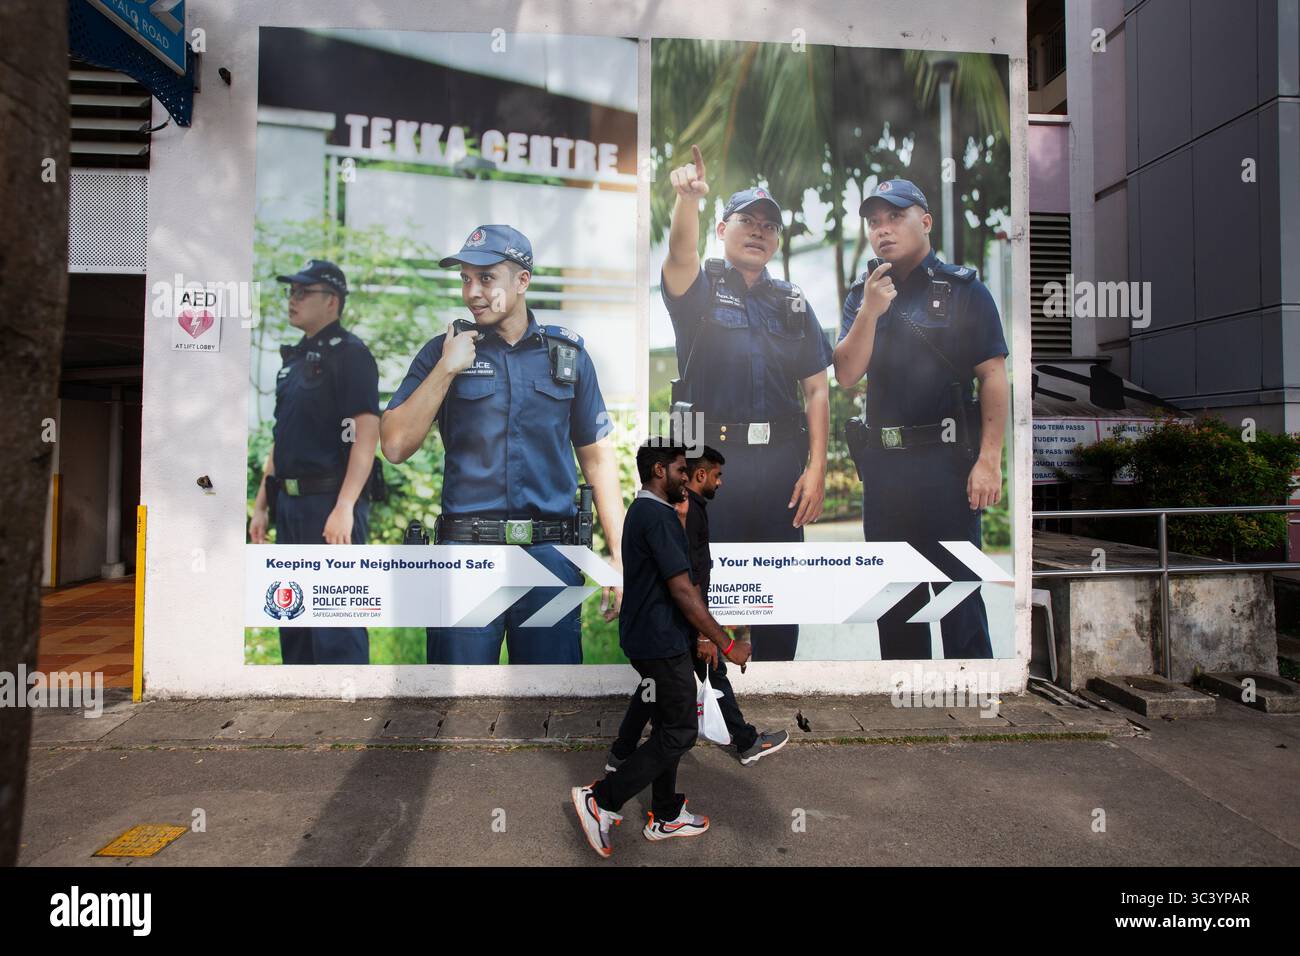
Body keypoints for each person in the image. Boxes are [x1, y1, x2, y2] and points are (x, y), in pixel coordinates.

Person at [380, 225, 623, 665]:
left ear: (522, 281)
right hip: (467, 560)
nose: (472, 291)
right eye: (465, 279)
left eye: (486, 278)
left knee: (553, 710)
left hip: (551, 557)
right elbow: (395, 445)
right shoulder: (443, 351)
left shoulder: (567, 356)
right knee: (456, 711)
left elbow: (598, 459)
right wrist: (446, 370)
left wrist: (621, 558)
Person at [661, 145, 834, 661]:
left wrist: (817, 467)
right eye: (747, 221)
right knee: (706, 586)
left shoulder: (793, 302)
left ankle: (778, 688)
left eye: (769, 225)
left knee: (781, 591)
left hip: (781, 465)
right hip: (712, 465)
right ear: (722, 229)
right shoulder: (701, 288)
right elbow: (678, 255)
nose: (759, 231)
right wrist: (687, 200)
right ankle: (706, 700)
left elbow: (817, 388)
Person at [833, 179, 1010, 659]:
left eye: (895, 217)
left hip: (947, 466)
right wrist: (870, 311)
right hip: (885, 470)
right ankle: (905, 704)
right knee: (897, 600)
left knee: (958, 594)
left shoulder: (963, 290)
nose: (883, 229)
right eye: (874, 221)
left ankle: (972, 695)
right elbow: (847, 374)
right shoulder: (863, 294)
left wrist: (989, 460)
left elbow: (993, 376)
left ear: (925, 221)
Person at [572, 442, 751, 858]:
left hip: (649, 638)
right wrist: (726, 643)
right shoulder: (657, 517)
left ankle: (666, 813)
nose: (687, 479)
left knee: (670, 724)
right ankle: (602, 799)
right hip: (661, 641)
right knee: (682, 730)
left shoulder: (646, 512)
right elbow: (685, 593)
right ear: (659, 471)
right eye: (680, 471)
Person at [605, 446, 788, 768]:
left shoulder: (678, 510)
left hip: (675, 624)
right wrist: (709, 638)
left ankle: (622, 754)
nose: (719, 483)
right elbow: (686, 582)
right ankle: (744, 742)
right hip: (681, 625)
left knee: (653, 688)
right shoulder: (673, 513)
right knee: (691, 704)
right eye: (716, 476)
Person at [249, 259, 380, 664]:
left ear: (332, 301)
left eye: (303, 292)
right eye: (291, 291)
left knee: (335, 623)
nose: (293, 299)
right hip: (288, 507)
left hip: (329, 507)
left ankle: (347, 719)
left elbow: (366, 435)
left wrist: (345, 507)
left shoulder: (351, 355)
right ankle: (301, 718)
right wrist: (261, 505)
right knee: (293, 619)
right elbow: (281, 438)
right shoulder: (292, 362)